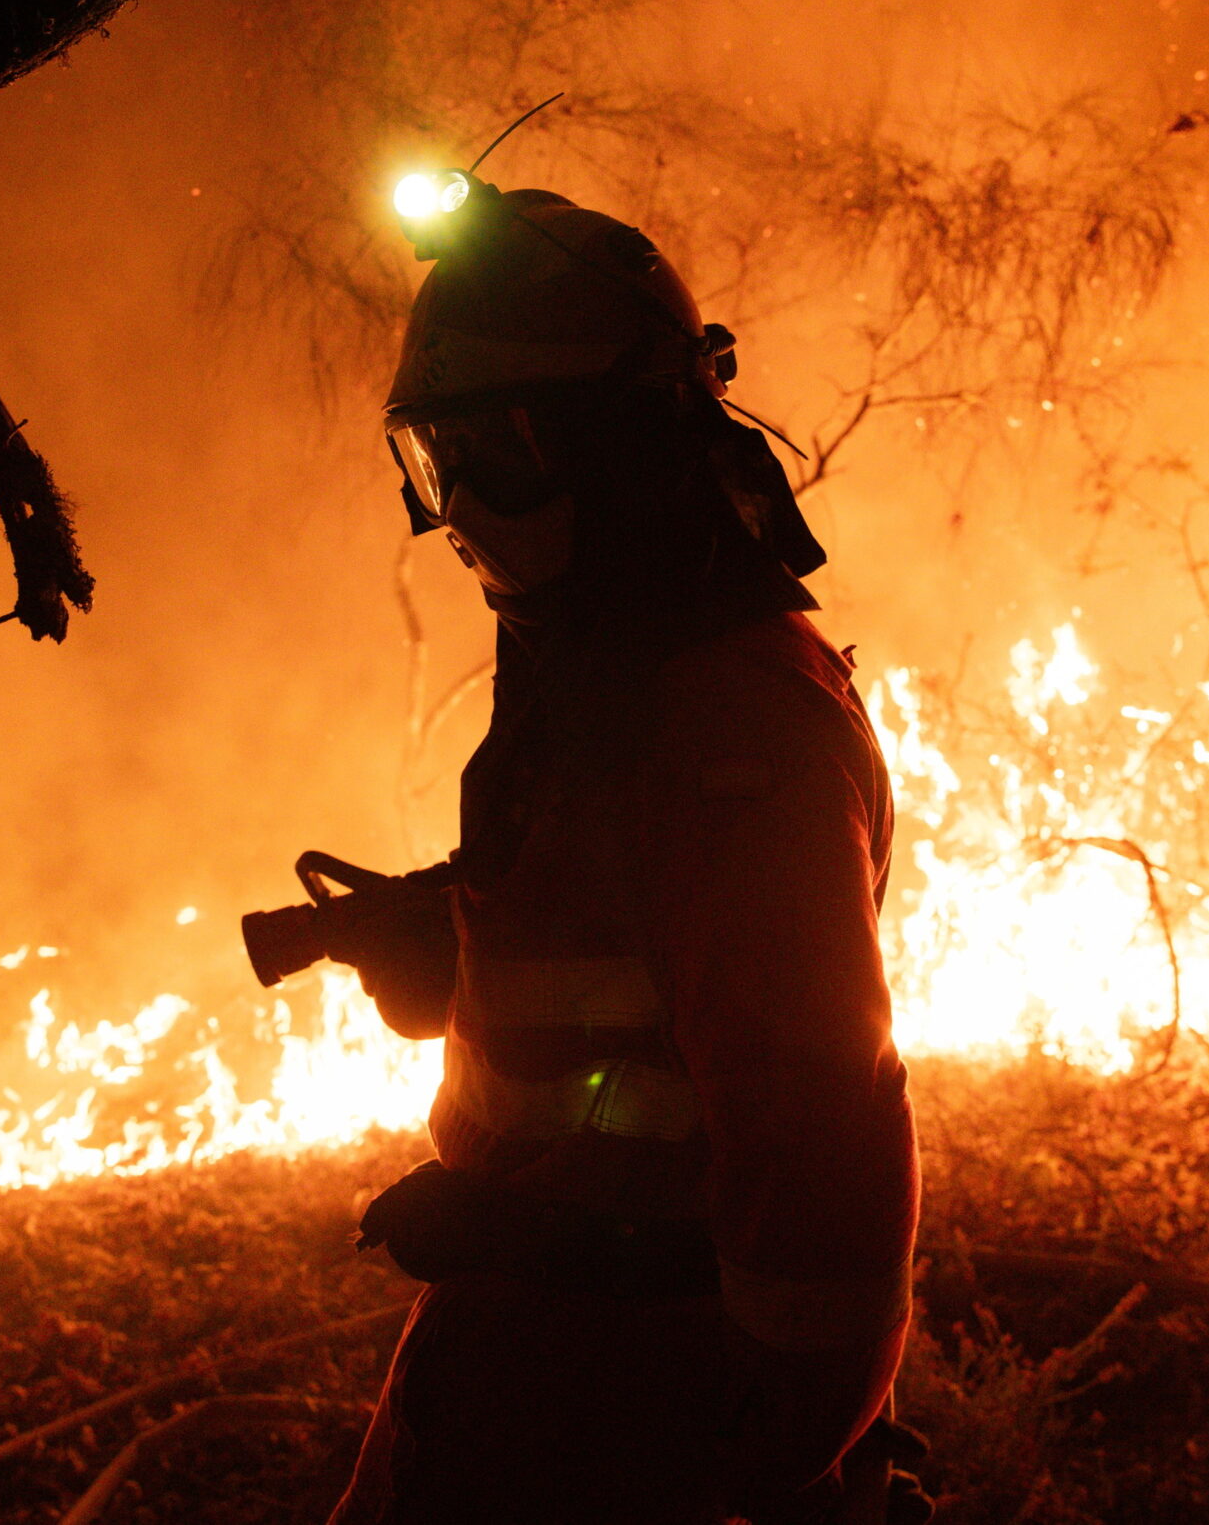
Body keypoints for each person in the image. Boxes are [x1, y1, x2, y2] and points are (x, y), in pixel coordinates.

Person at [321, 177, 924, 1525]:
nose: (467, 505)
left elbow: (813, 1128)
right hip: (519, 1375)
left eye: (504, 450)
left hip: (652, 1415)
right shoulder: (603, 660)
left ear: (628, 443)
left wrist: (768, 1457)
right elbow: (620, 961)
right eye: (438, 459)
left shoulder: (728, 731)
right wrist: (456, 941)